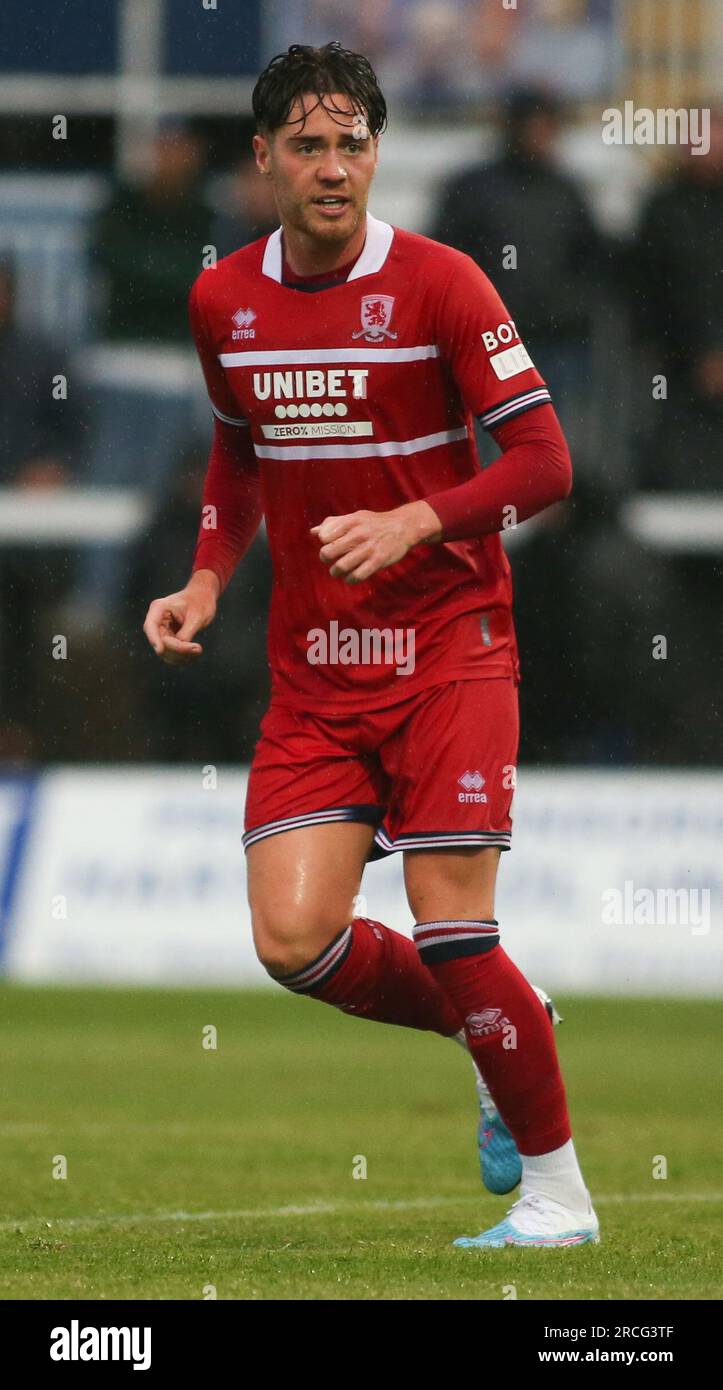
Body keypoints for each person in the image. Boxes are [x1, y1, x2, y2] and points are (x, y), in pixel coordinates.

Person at [143, 42, 598, 1248]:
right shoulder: (221, 300)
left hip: (452, 646)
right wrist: (203, 578)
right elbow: (240, 447)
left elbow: (547, 463)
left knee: (455, 926)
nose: (333, 168)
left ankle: (559, 1201)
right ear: (264, 159)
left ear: (378, 155)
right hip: (315, 670)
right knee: (293, 941)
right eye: (308, 144)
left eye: (353, 143)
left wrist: (416, 517)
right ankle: (496, 1023)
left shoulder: (446, 284)